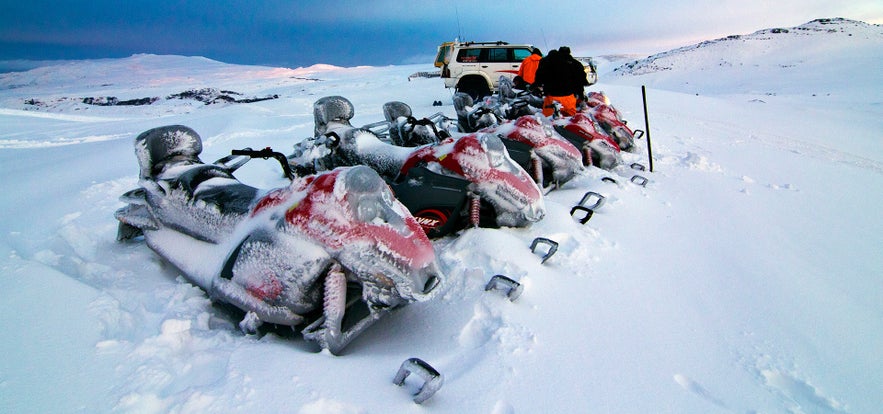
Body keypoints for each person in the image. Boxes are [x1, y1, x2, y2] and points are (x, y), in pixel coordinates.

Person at [533, 48, 578, 117]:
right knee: (571, 121)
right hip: (569, 98)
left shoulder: (545, 61)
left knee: (550, 121)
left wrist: (536, 86)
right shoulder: (569, 62)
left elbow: (539, 78)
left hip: (553, 98)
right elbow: (576, 78)